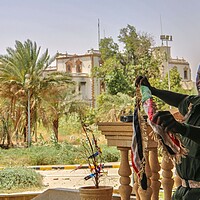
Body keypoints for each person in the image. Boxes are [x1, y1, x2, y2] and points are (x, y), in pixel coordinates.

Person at [135, 72, 200, 200]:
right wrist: (153, 90)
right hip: (183, 192)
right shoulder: (196, 103)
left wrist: (182, 128)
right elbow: (180, 99)